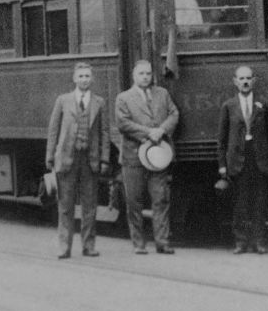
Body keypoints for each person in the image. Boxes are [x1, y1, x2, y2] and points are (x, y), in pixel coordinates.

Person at [113, 59, 180, 254]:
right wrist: (148, 132)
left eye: (148, 74)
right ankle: (138, 243)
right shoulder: (123, 98)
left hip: (159, 155)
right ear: (134, 76)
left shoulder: (163, 94)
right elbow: (123, 123)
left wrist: (162, 130)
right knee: (134, 201)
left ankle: (162, 241)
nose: (145, 77)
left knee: (161, 198)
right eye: (141, 74)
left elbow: (174, 114)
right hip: (133, 157)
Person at [45, 62, 111, 259]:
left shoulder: (100, 102)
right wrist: (50, 156)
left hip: (89, 159)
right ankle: (64, 247)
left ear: (92, 79)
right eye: (81, 76)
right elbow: (53, 130)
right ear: (74, 79)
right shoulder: (63, 100)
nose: (84, 80)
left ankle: (88, 246)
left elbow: (105, 132)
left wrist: (104, 158)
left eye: (87, 76)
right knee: (65, 206)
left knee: (89, 206)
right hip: (67, 159)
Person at [216, 65, 268, 254]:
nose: (245, 82)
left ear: (254, 81)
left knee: (260, 203)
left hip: (258, 159)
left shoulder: (263, 104)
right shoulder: (228, 106)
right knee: (240, 203)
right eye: (241, 78)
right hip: (237, 160)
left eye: (248, 78)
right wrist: (222, 165)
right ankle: (241, 241)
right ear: (235, 81)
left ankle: (259, 241)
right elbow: (222, 138)